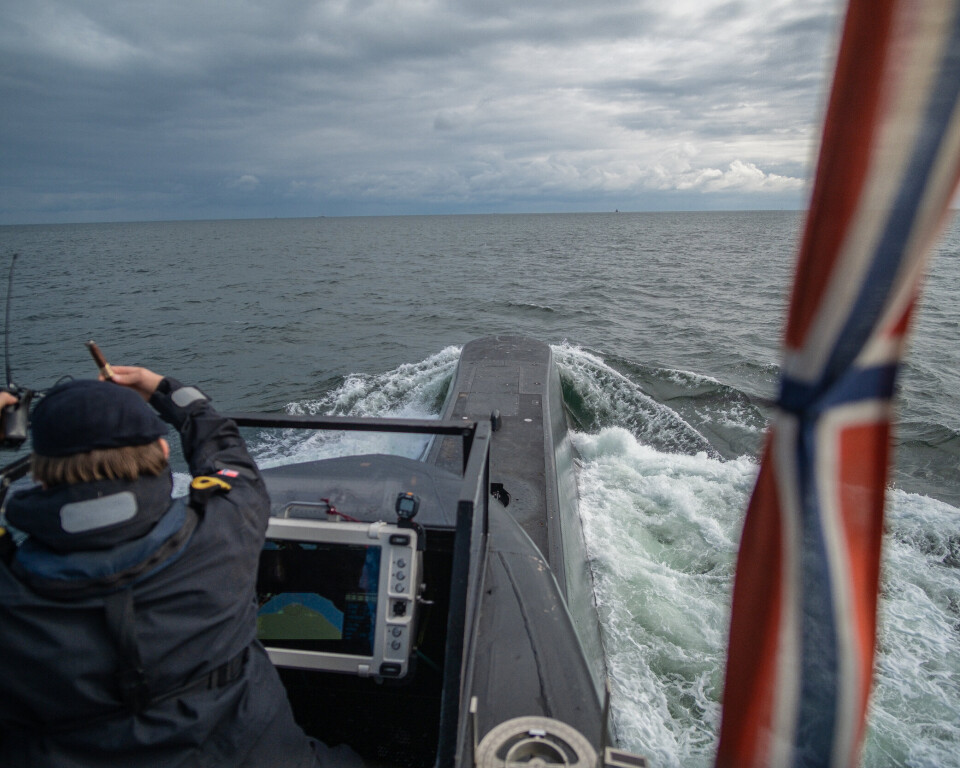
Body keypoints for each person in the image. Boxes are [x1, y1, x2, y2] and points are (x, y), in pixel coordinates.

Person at [0, 366, 321, 767]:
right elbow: (224, 449)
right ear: (164, 451)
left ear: (39, 475)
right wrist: (165, 390)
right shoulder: (227, 525)